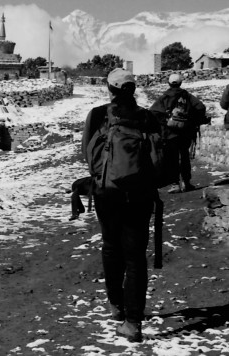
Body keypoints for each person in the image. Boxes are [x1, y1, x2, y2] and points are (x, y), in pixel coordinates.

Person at [81, 68, 161, 343]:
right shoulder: (147, 117)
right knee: (136, 256)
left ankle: (116, 306)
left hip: (107, 193)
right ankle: (133, 322)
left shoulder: (98, 114)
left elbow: (87, 154)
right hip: (140, 195)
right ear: (133, 89)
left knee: (111, 246)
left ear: (109, 89)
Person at [149, 73, 207, 192]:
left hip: (169, 134)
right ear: (181, 83)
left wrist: (165, 122)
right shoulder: (187, 96)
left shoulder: (164, 97)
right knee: (185, 156)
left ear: (169, 83)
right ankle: (186, 182)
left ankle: (175, 184)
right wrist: (191, 120)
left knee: (171, 158)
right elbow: (201, 107)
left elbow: (153, 112)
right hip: (185, 133)